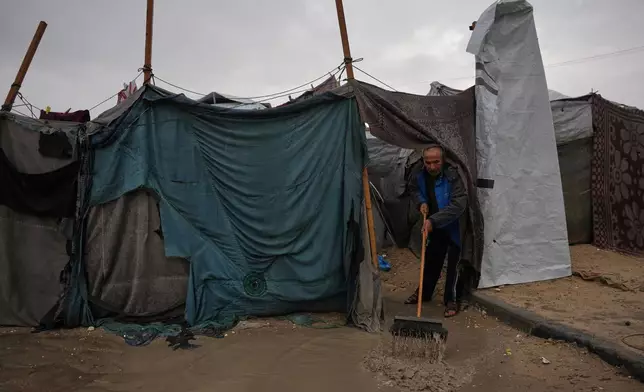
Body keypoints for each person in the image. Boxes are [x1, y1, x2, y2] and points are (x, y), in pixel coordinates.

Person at [405, 145, 468, 318]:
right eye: (428, 162)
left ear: (443, 160)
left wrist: (434, 220)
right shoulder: (419, 172)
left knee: (454, 264)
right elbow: (413, 189)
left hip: (455, 224)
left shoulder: (454, 175)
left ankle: (451, 300)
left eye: (436, 162)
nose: (432, 167)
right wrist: (421, 202)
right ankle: (424, 293)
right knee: (431, 258)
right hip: (434, 224)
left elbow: (459, 204)